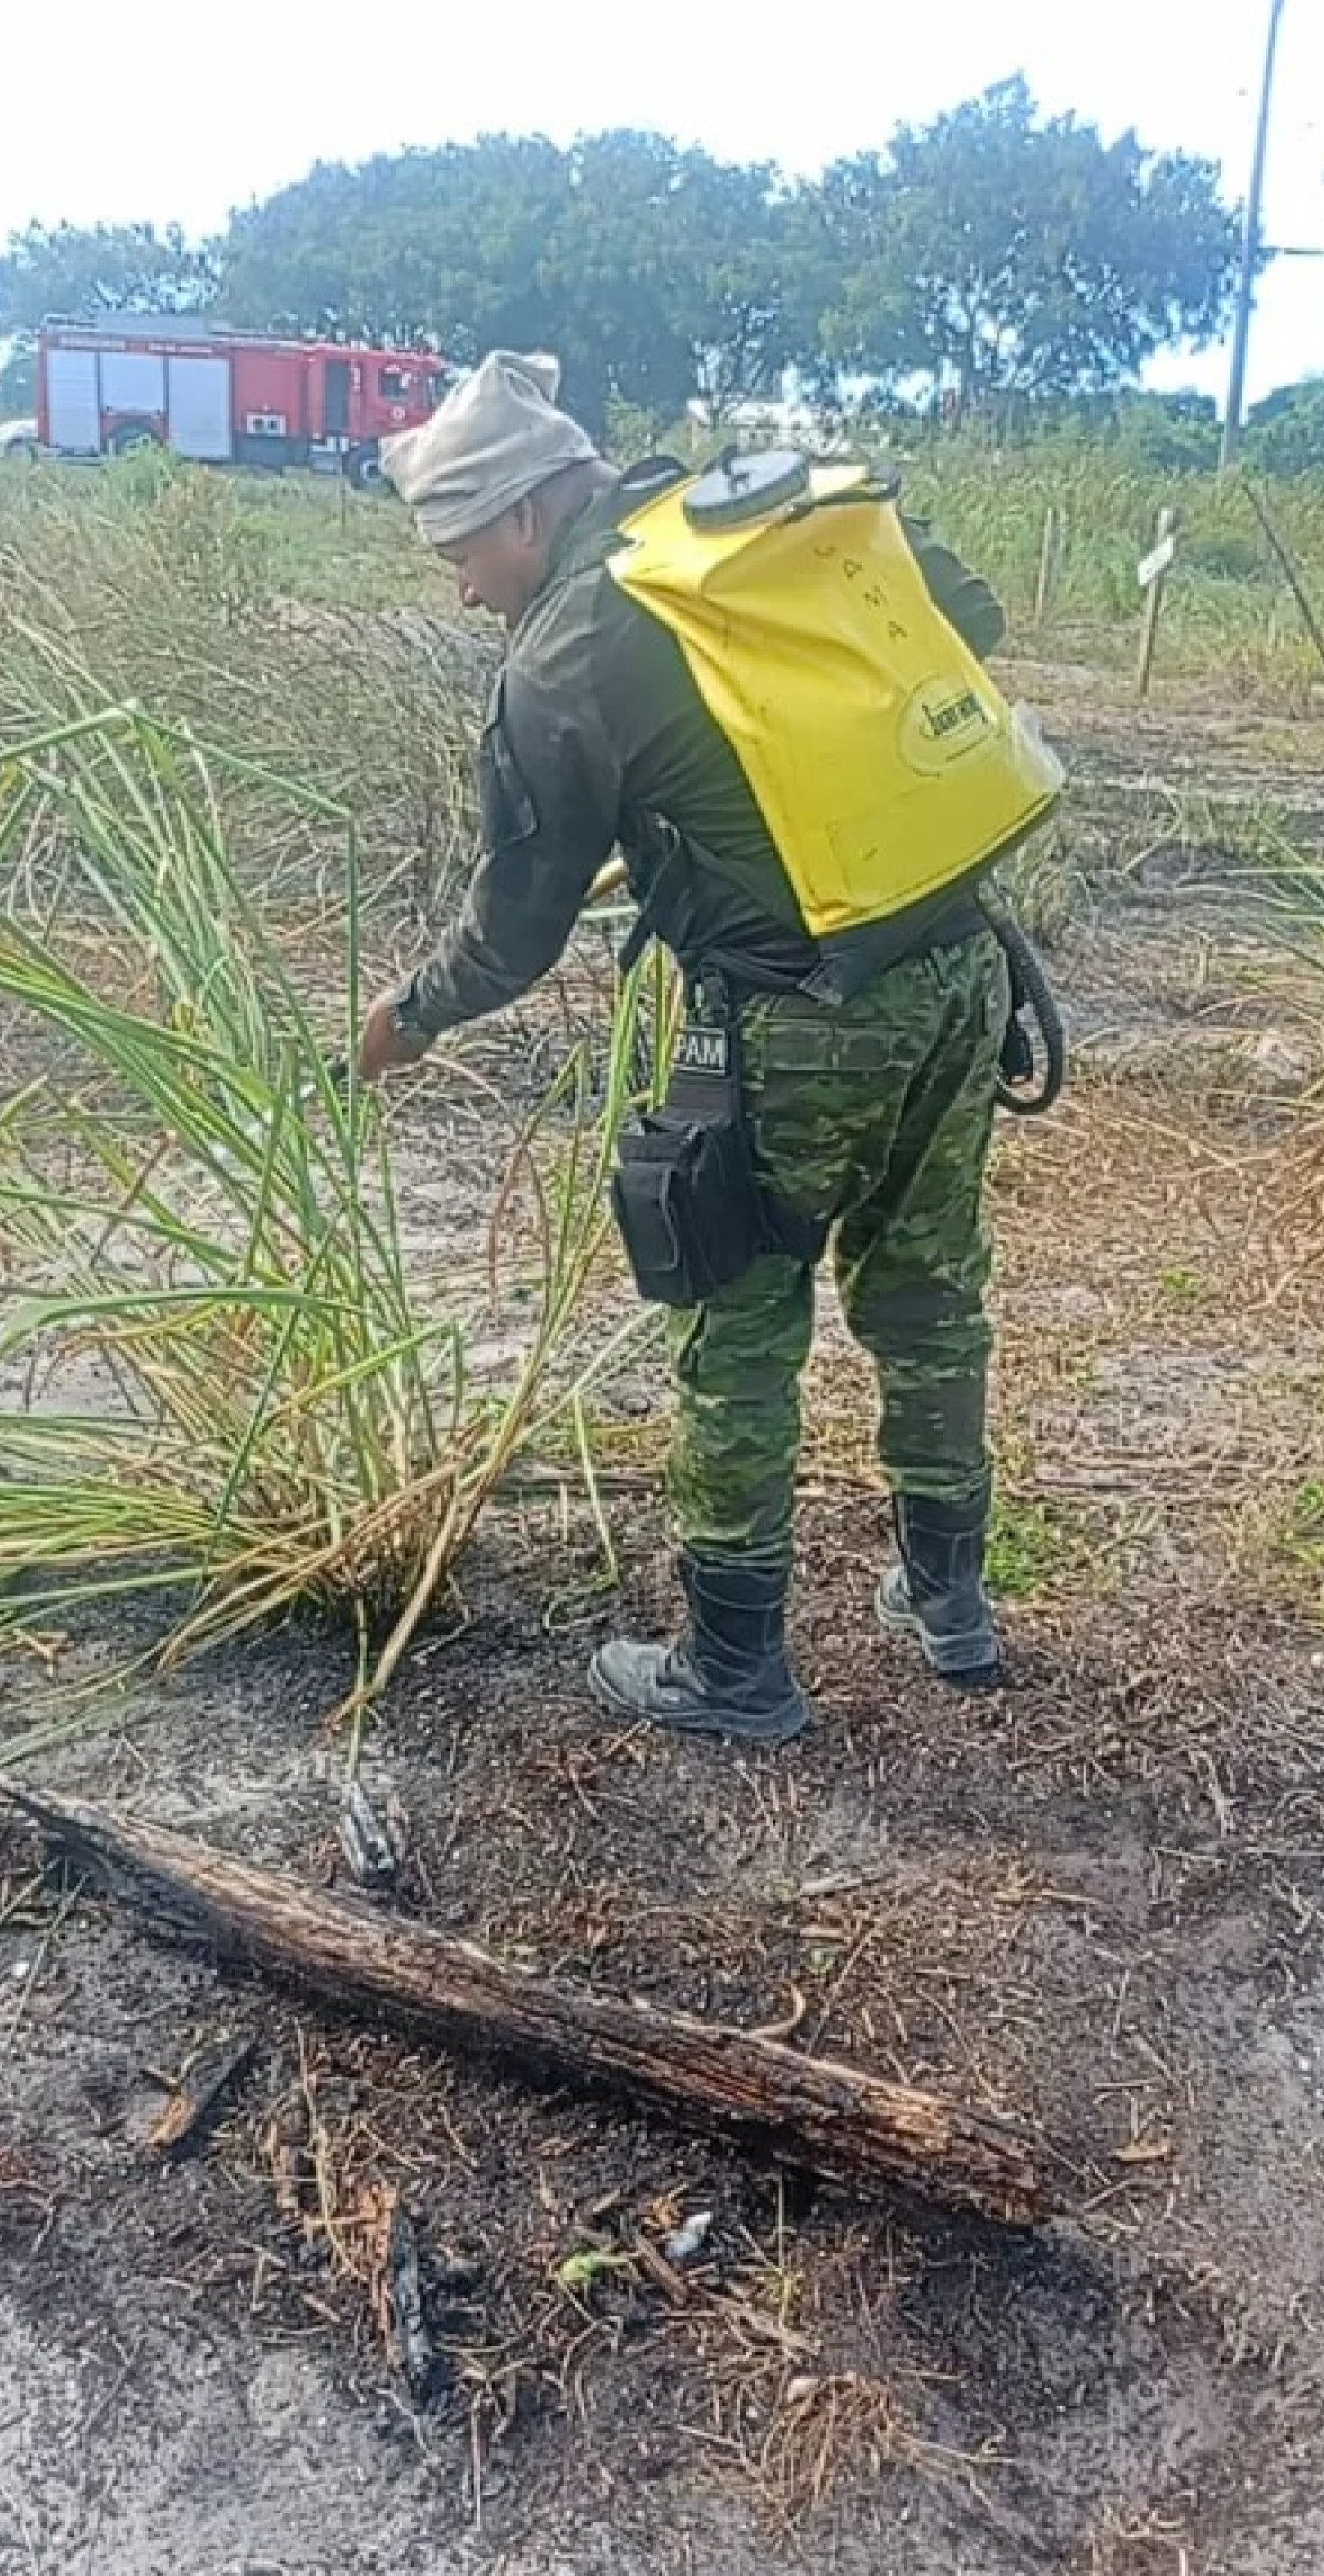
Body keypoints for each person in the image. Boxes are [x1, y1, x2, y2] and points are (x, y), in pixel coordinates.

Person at [364, 350, 1033, 1746]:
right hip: (963, 967)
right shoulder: (736, 525)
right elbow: (967, 612)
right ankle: (950, 1605)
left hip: (797, 1017)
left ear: (526, 516)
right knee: (928, 1293)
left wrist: (411, 1014)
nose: (459, 586)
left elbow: (517, 928)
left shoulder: (562, 655)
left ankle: (734, 1670)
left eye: (458, 551)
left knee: (737, 1329)